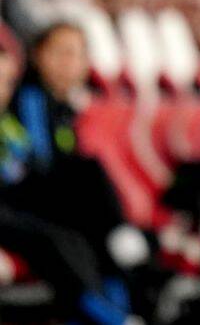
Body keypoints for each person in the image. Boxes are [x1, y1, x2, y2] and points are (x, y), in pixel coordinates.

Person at [0, 23, 147, 325]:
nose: (3, 91)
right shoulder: (30, 100)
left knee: (84, 236)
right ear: (39, 56)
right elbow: (40, 167)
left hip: (21, 206)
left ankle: (118, 309)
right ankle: (111, 318)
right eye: (62, 53)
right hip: (13, 210)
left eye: (6, 82)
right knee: (58, 234)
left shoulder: (25, 119)